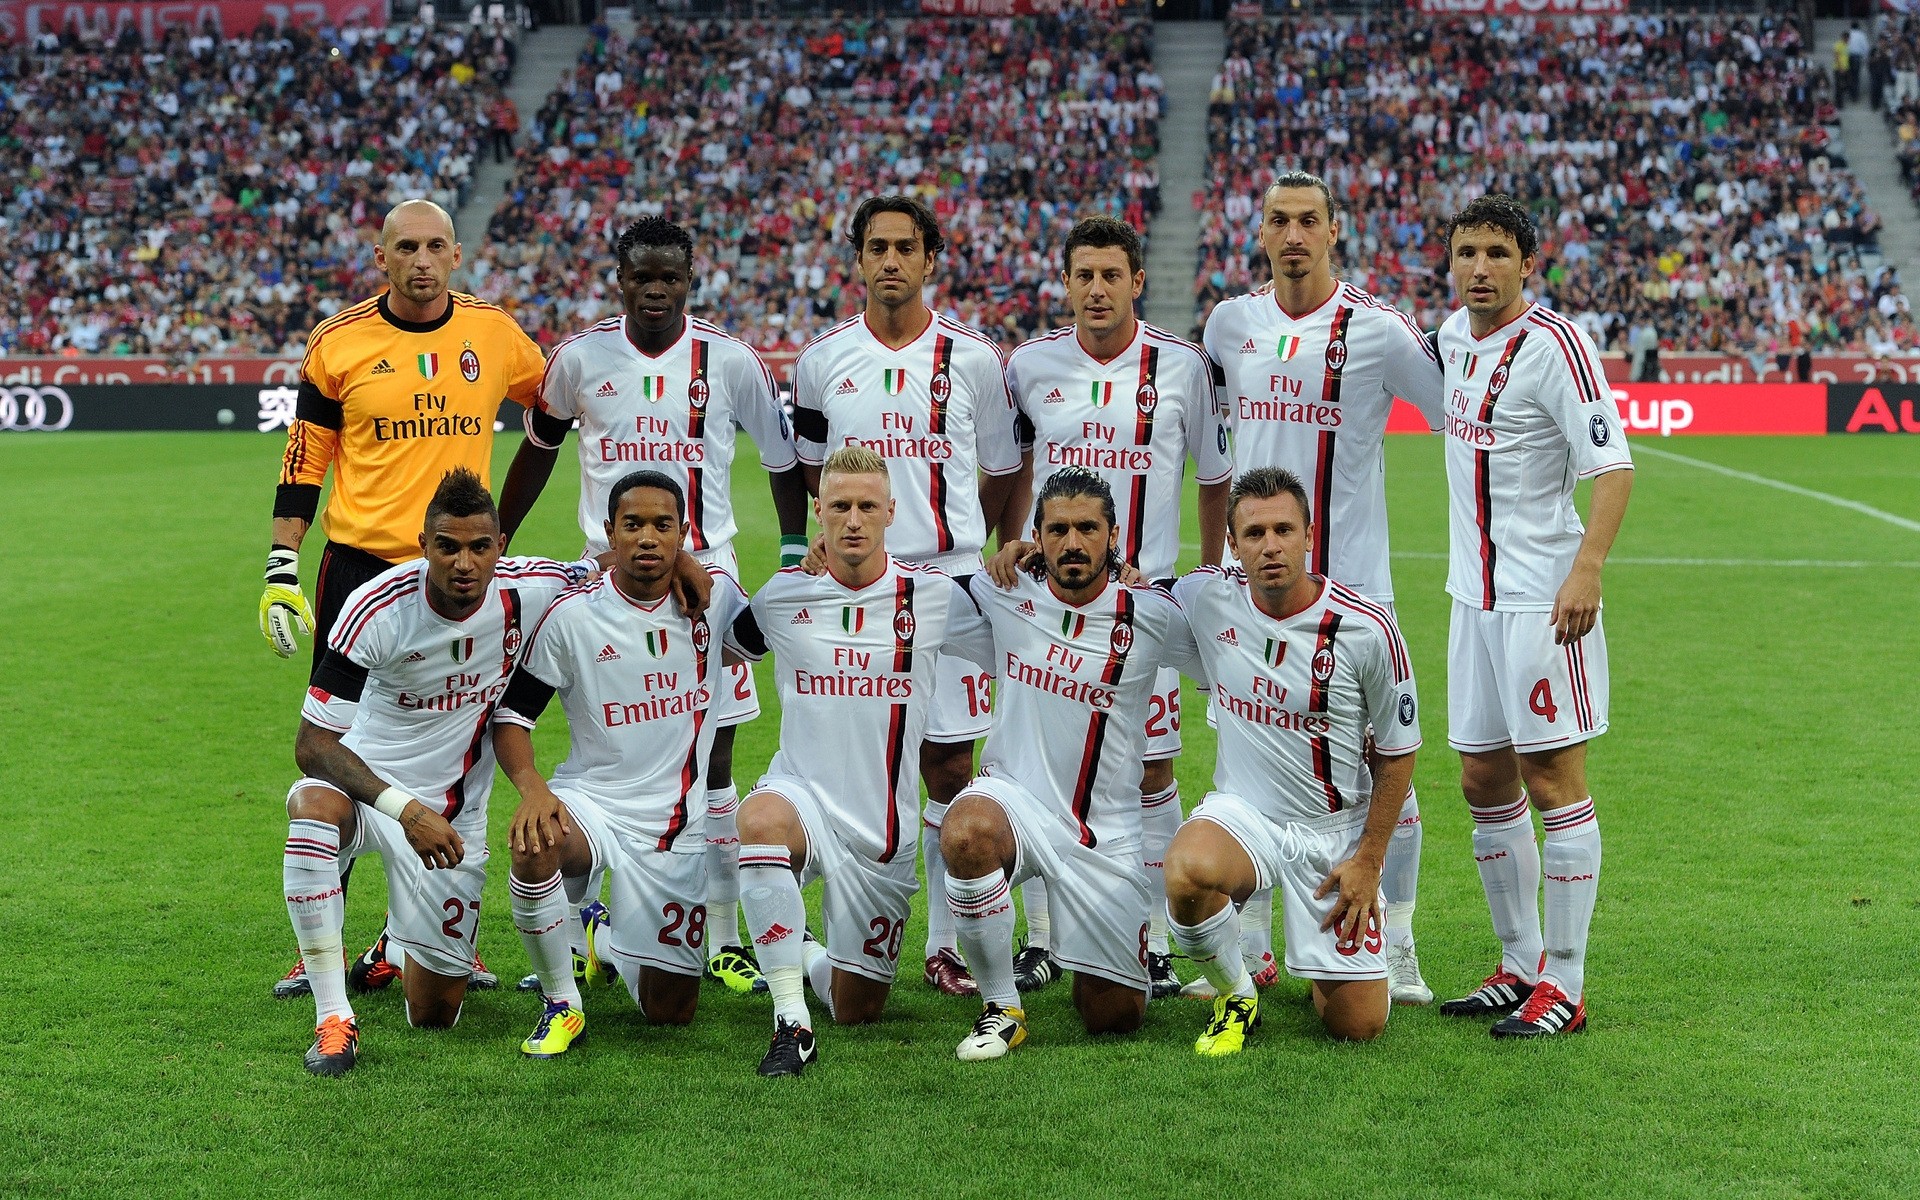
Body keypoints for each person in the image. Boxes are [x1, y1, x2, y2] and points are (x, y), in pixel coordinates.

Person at [499, 216, 810, 995]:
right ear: (621, 279)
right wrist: (499, 537)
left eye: (670, 275)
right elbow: (538, 447)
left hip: (707, 578)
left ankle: (722, 932)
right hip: (607, 579)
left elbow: (780, 458)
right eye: (643, 276)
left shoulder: (730, 360)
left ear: (689, 279)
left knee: (716, 754)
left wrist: (795, 552)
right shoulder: (577, 358)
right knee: (607, 743)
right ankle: (584, 926)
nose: (657, 288)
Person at [263, 198, 548, 999]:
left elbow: (556, 409)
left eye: (434, 247)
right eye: (405, 248)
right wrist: (282, 562)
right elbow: (303, 460)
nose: (421, 261)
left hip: (460, 576)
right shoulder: (339, 341)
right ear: (380, 256)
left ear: (456, 255)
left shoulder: (495, 334)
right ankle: (324, 937)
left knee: (465, 741)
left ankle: (433, 929)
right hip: (361, 570)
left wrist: (512, 522)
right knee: (343, 748)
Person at [1199, 170, 1445, 1004]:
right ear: (1259, 234)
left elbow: (1458, 411)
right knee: (1252, 762)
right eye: (1279, 220)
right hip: (1250, 593)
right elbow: (1214, 450)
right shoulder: (1230, 323)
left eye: (1310, 220)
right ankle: (1255, 942)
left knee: (1383, 767)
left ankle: (1400, 942)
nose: (1294, 234)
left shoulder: (1380, 331)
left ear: (1334, 232)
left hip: (1355, 598)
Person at [278, 469, 588, 1075]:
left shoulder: (534, 587)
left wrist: (689, 567)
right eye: (447, 546)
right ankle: (334, 1017)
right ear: (423, 546)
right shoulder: (376, 609)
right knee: (312, 814)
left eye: (480, 547)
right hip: (367, 789)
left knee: (435, 1014)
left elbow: (618, 565)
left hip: (453, 815)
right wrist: (404, 810)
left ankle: (395, 943)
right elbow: (314, 746)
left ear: (501, 546)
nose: (464, 563)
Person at [790, 195, 1023, 997]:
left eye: (906, 248)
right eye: (876, 247)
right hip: (857, 589)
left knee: (950, 763)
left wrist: (982, 543)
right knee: (852, 765)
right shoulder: (822, 360)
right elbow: (806, 470)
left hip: (949, 583)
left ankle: (947, 941)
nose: (891, 261)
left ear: (931, 260)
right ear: (857, 260)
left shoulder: (974, 358)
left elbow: (1002, 465)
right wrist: (803, 549)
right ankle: (850, 927)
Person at [991, 216, 1230, 999]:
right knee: (1033, 769)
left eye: (1110, 275)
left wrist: (1207, 570)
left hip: (1142, 602)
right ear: (1067, 283)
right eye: (1082, 275)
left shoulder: (1185, 367)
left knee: (1152, 771)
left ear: (1136, 282)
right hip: (1049, 600)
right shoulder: (1029, 365)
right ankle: (1042, 940)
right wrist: (1010, 545)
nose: (1096, 288)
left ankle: (1153, 942)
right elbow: (1010, 466)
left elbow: (1213, 475)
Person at [1434, 194, 1632, 1038]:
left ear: (1527, 263)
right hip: (1468, 598)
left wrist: (1586, 570)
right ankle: (1517, 964)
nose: (1479, 267)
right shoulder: (1449, 337)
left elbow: (1613, 467)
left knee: (1554, 781)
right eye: (1466, 252)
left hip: (1542, 601)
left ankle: (1568, 983)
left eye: (1495, 253)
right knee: (1483, 779)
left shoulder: (1557, 345)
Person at [733, 448, 994, 1077]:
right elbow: (719, 645)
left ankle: (795, 943)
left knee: (857, 1007)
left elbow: (1015, 642)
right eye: (841, 507)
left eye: (867, 507)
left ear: (890, 513)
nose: (853, 520)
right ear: (818, 512)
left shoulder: (934, 598)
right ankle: (790, 1021)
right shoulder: (782, 597)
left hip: (884, 836)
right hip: (802, 799)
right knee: (761, 821)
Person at [492, 471, 757, 1057]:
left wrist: (811, 564)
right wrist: (533, 789)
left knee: (671, 1015)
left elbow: (770, 630)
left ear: (684, 534)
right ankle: (562, 1002)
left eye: (663, 525)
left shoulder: (715, 603)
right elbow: (512, 718)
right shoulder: (571, 617)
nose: (647, 538)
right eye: (632, 525)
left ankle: (599, 933)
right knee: (535, 845)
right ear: (607, 532)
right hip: (598, 806)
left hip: (676, 833)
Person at [941, 468, 1202, 1060]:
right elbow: (904, 590)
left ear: (1114, 536)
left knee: (1112, 1018)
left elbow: (1227, 669)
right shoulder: (1002, 589)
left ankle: (1085, 951)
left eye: (1088, 528)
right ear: (1035, 537)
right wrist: (822, 552)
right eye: (1057, 529)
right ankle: (1001, 1006)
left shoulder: (1151, 615)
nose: (1073, 543)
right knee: (966, 831)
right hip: (1016, 805)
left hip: (1104, 837)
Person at [1161, 467, 1421, 1054]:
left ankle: (1331, 968)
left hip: (1332, 836)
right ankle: (1237, 993)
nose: (1270, 545)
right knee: (1185, 871)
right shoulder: (1205, 598)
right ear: (1232, 545)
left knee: (1357, 1026)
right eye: (1253, 533)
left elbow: (1400, 753)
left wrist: (1368, 861)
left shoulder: (1366, 629)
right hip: (1244, 817)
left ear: (1309, 534)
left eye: (1283, 529)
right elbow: (1122, 591)